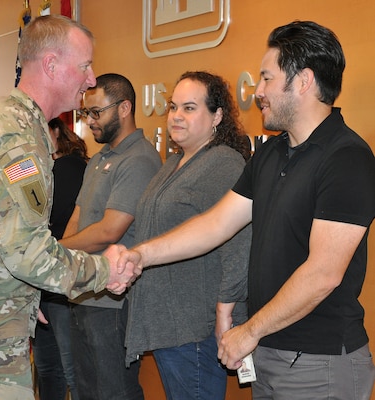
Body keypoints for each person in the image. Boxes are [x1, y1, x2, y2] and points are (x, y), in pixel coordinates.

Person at [116, 20, 375, 400]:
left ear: (302, 81)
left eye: (267, 79)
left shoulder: (347, 158)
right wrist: (140, 254)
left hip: (319, 364)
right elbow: (216, 224)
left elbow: (323, 274)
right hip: (268, 353)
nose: (258, 92)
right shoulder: (270, 152)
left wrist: (249, 330)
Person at [0, 15, 137, 400]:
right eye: (84, 66)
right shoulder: (17, 139)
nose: (92, 79)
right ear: (50, 65)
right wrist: (104, 271)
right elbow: (27, 253)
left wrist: (29, 297)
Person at [124, 71, 252, 400]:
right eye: (173, 106)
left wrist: (227, 314)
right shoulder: (176, 162)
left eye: (190, 108)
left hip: (195, 326)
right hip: (168, 323)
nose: (177, 116)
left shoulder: (224, 163)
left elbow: (239, 248)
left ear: (217, 116)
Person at [60, 73, 162, 400]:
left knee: (114, 390)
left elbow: (109, 230)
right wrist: (62, 258)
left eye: (96, 112)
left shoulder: (140, 158)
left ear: (124, 108)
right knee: (86, 389)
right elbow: (78, 215)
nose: (89, 121)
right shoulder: (99, 158)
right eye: (85, 113)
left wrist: (54, 251)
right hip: (84, 292)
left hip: (113, 301)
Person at [32, 117, 88, 400]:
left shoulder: (68, 166)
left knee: (68, 369)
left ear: (56, 131)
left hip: (61, 281)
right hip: (45, 285)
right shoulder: (43, 168)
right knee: (48, 368)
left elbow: (46, 220)